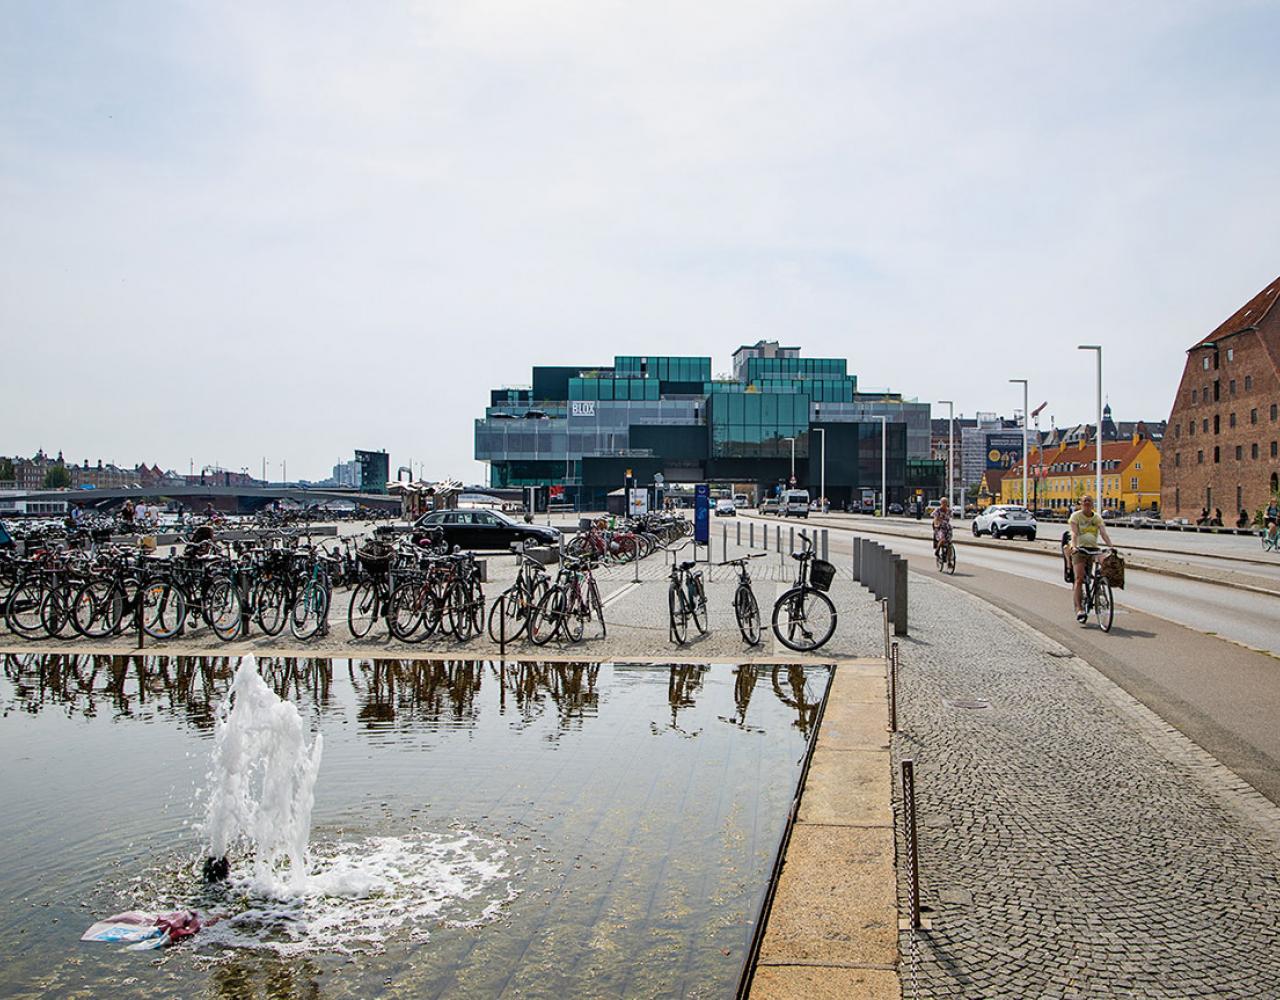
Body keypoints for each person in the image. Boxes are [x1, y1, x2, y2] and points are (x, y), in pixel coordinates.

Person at [1069, 494, 1114, 624]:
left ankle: (1101, 585)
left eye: (1089, 501)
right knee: (1079, 578)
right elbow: (1074, 533)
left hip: (1093, 549)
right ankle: (1079, 609)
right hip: (1080, 549)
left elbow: (1103, 533)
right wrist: (1074, 546)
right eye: (1084, 501)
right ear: (1081, 503)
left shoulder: (1097, 518)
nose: (1087, 503)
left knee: (1105, 561)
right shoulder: (1076, 516)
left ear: (1093, 504)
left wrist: (1111, 547)